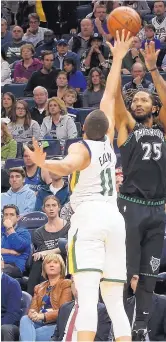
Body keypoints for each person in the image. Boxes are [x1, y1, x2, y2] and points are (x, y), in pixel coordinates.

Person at [24, 30, 134, 342]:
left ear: (84, 127)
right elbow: (109, 96)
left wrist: (45, 163)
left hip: (89, 221)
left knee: (86, 298)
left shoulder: (81, 147)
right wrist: (119, 59)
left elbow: (68, 166)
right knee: (113, 299)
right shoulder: (109, 141)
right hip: (115, 220)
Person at [111, 34, 166, 339]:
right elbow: (115, 102)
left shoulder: (163, 129)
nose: (137, 102)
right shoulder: (127, 129)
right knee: (124, 274)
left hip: (157, 210)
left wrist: (152, 70)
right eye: (135, 99)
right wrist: (119, 60)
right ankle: (118, 327)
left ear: (153, 106)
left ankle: (140, 329)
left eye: (143, 99)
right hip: (131, 206)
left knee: (149, 275)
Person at [20, 254, 72, 341]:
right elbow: (33, 309)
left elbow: (63, 311)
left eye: (55, 263)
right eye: (48, 263)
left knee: (29, 334)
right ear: (44, 267)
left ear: (61, 267)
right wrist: (33, 313)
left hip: (57, 324)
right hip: (39, 321)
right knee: (25, 319)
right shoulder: (38, 287)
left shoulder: (66, 284)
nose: (51, 265)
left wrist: (43, 316)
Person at [27, 196, 70, 296]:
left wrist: (47, 252)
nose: (51, 208)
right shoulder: (38, 232)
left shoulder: (69, 227)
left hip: (65, 259)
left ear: (59, 207)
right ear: (43, 209)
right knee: (38, 262)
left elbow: (68, 247)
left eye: (54, 205)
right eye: (48, 206)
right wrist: (46, 253)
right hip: (48, 262)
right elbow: (44, 255)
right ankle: (31, 297)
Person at [1, 204, 31, 278]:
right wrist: (9, 251)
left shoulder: (24, 233)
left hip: (15, 267)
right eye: (6, 215)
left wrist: (10, 228)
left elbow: (19, 247)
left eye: (11, 215)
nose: (8, 217)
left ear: (17, 218)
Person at [1, 257, 22, 342]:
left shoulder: (12, 284)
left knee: (5, 328)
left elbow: (13, 314)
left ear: (2, 264)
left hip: (6, 323)